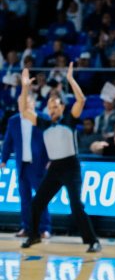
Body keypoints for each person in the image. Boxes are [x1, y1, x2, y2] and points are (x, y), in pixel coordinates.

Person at [18, 64, 101, 253]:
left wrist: (71, 80)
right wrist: (25, 88)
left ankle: (92, 241)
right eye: (49, 107)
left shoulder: (69, 120)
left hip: (71, 166)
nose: (52, 110)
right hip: (54, 168)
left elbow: (81, 99)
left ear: (62, 107)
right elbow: (24, 111)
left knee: (76, 206)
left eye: (55, 107)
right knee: (37, 203)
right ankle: (34, 235)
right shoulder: (44, 123)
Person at [1, 94, 51, 239]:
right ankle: (26, 227)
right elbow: (8, 141)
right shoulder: (13, 120)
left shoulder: (42, 118)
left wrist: (51, 158)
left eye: (26, 102)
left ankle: (44, 228)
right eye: (20, 102)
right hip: (22, 165)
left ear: (33, 104)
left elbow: (50, 139)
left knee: (41, 198)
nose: (23, 105)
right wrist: (3, 159)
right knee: (24, 198)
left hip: (39, 164)